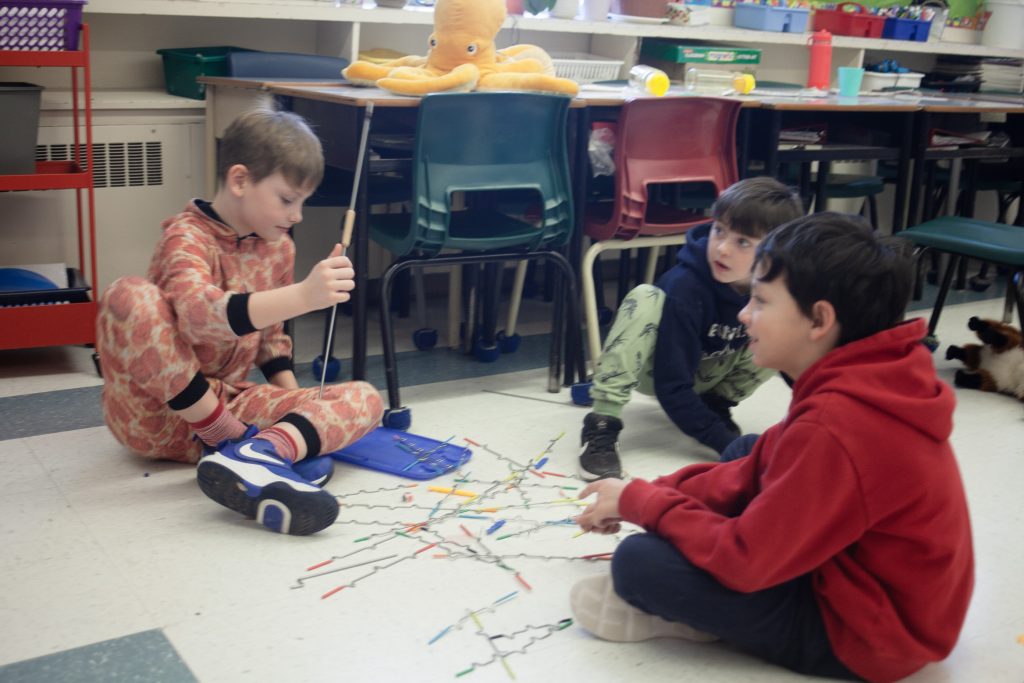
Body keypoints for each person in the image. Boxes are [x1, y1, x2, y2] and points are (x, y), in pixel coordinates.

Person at [570, 213, 974, 682]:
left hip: (870, 637)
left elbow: (746, 560)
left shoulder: (837, 426)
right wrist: (645, 493)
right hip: (876, 589)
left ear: (819, 320)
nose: (744, 314)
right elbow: (754, 467)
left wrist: (647, 505)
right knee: (746, 448)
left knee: (640, 563)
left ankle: (698, 621)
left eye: (760, 301)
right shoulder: (869, 376)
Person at [96, 107, 383, 536]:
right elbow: (196, 318)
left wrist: (301, 403)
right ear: (240, 180)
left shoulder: (279, 248)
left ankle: (260, 453)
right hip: (153, 416)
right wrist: (303, 295)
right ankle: (231, 442)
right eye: (287, 199)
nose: (297, 215)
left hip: (233, 402)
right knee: (128, 295)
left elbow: (271, 341)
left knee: (365, 397)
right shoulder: (186, 237)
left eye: (303, 202)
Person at [578, 176, 804, 481]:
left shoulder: (771, 288)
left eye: (742, 242)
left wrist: (822, 417)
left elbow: (797, 363)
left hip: (709, 373)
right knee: (644, 298)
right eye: (719, 231)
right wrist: (725, 443)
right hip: (657, 372)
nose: (722, 248)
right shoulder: (688, 287)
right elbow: (671, 386)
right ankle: (602, 422)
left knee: (781, 331)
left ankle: (713, 405)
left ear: (776, 253)